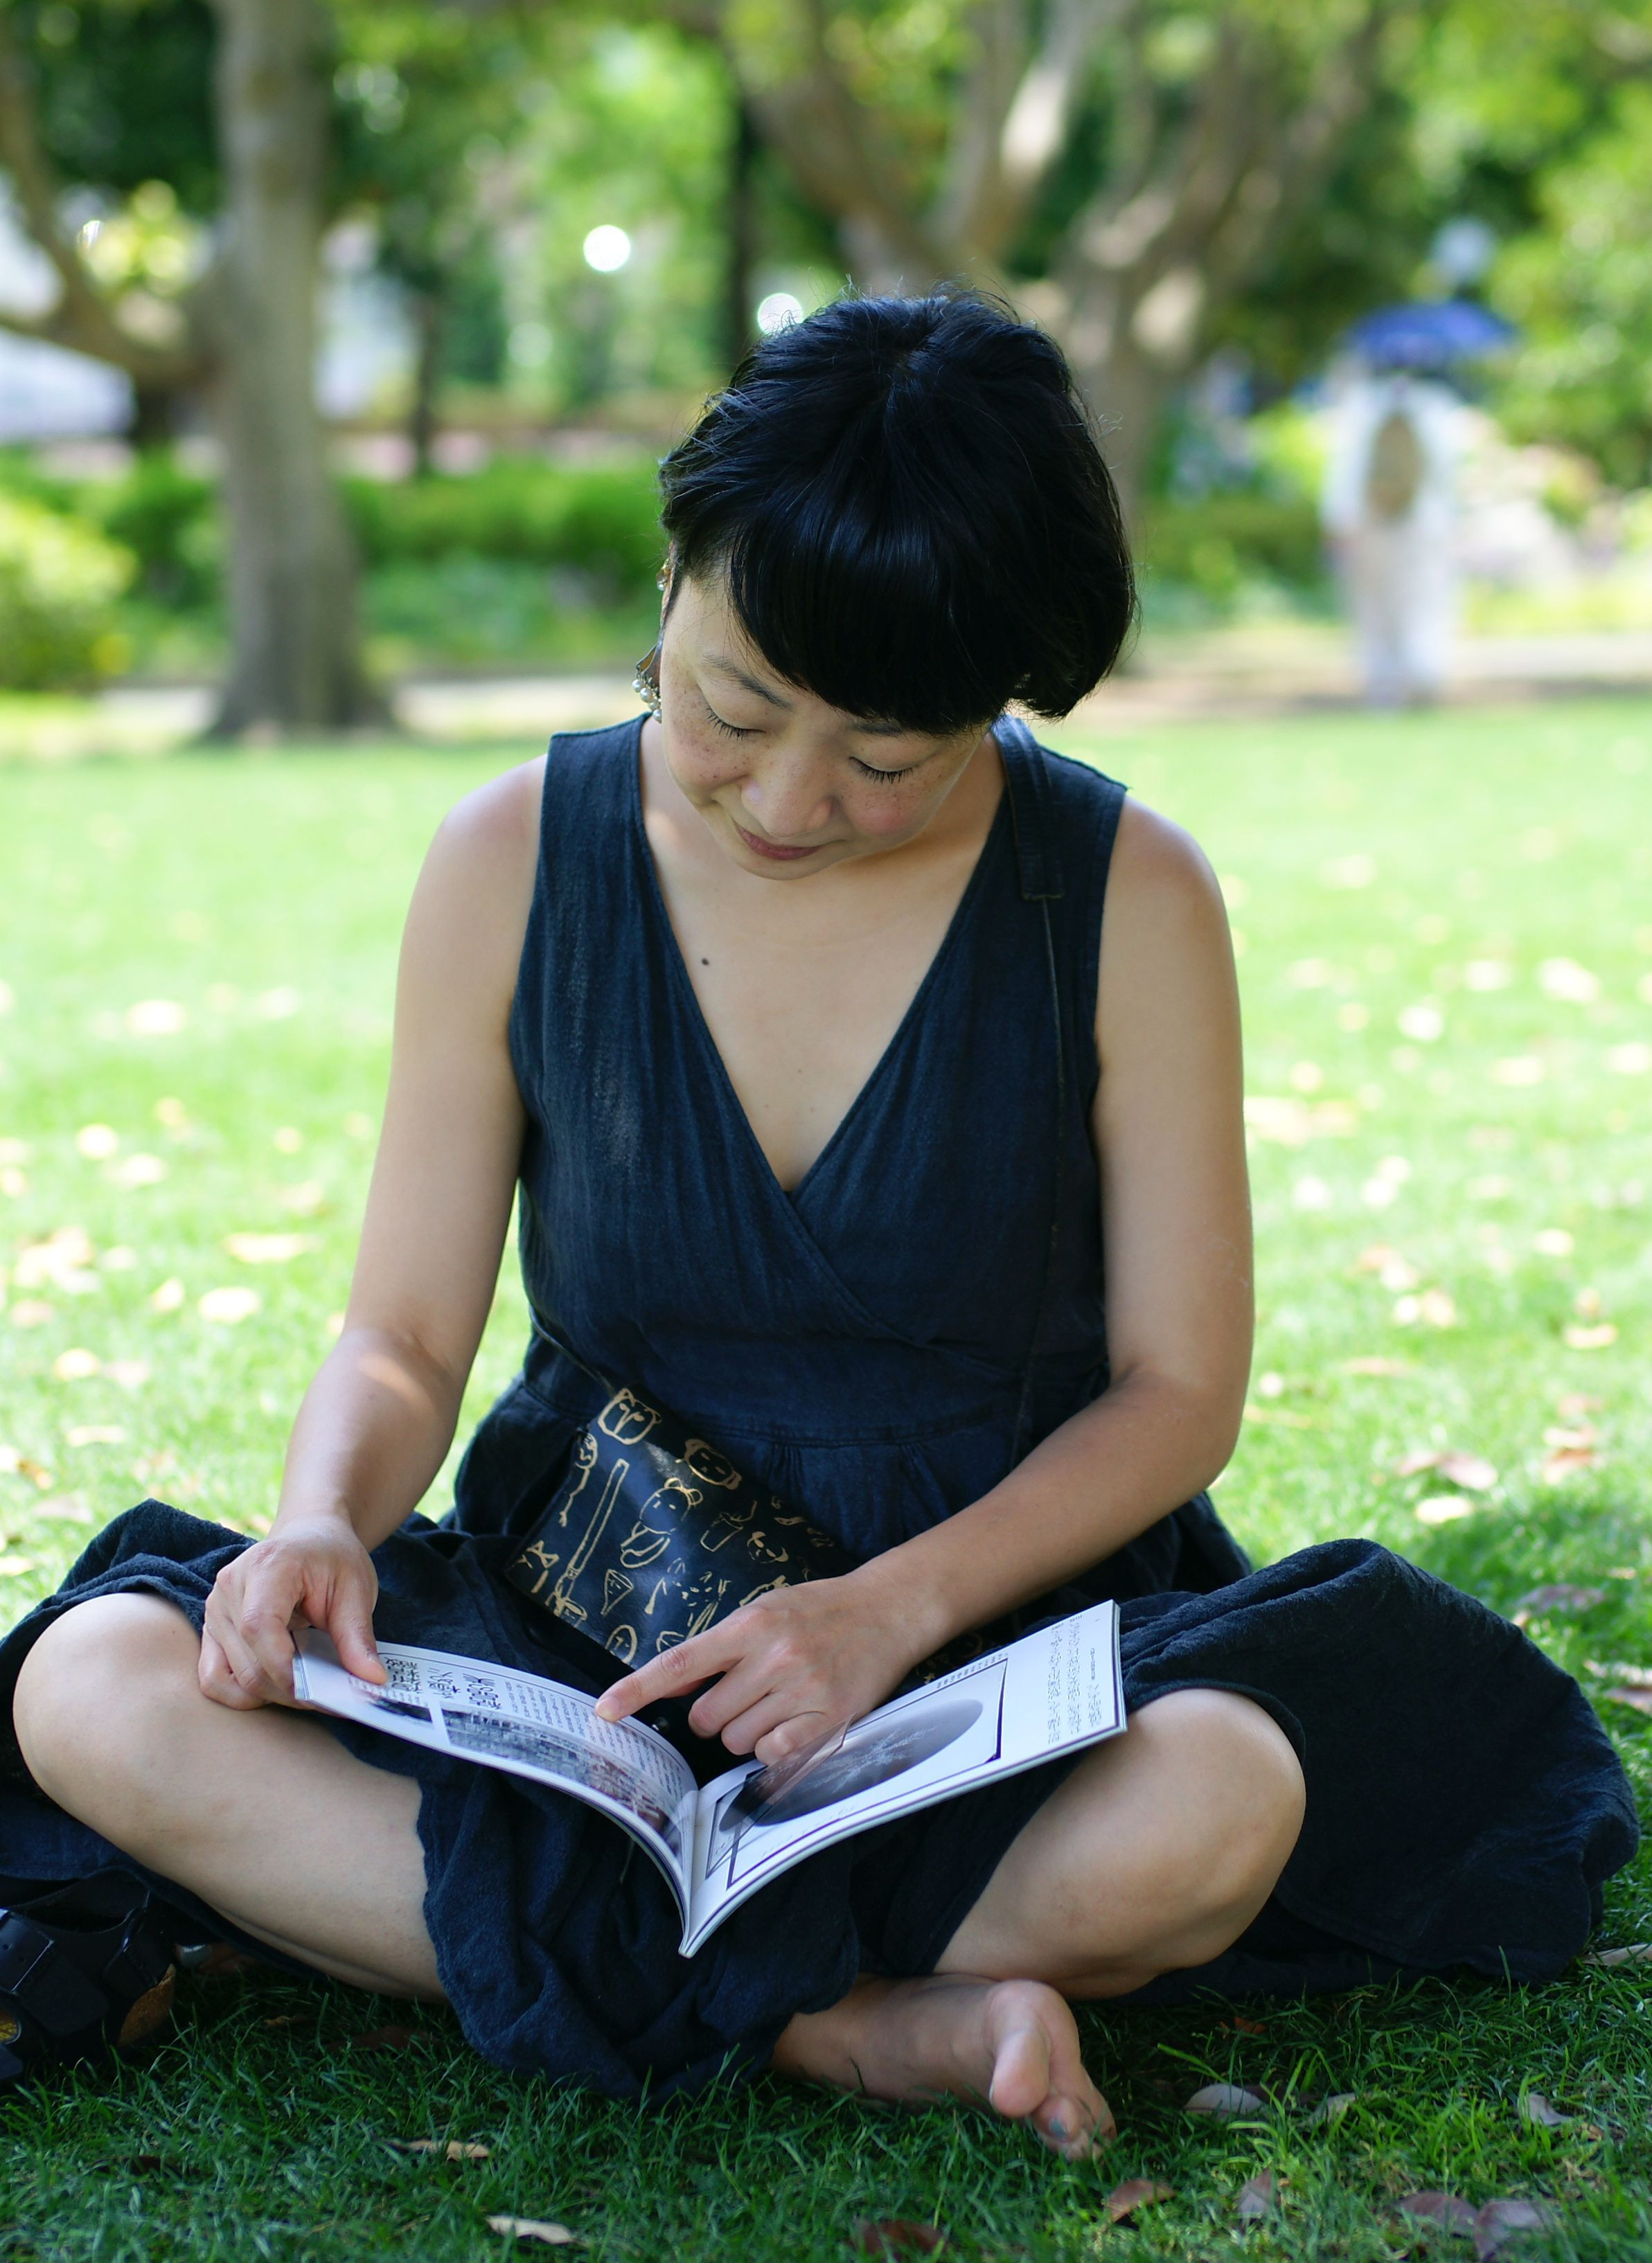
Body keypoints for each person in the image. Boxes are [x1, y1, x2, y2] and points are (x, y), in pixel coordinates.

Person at [0, 294, 1633, 2140]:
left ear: (1000, 696)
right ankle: (845, 2026)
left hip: (989, 1641)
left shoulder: (1125, 896)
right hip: (586, 1626)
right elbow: (404, 1335)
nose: (787, 799)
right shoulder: (512, 858)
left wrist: (880, 1614)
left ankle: (581, 1959)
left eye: (885, 756)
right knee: (94, 1685)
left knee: (1214, 1802)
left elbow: (1177, 1393)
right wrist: (323, 1516)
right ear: (674, 580)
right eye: (730, 708)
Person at [1322, 364, 1464, 707]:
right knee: (1424, 601)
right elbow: (1450, 477)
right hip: (1425, 527)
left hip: (1372, 524)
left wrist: (1339, 526)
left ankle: (1385, 682)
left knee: (1375, 609)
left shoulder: (1360, 407)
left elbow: (1343, 475)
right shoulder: (1438, 407)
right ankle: (1423, 671)